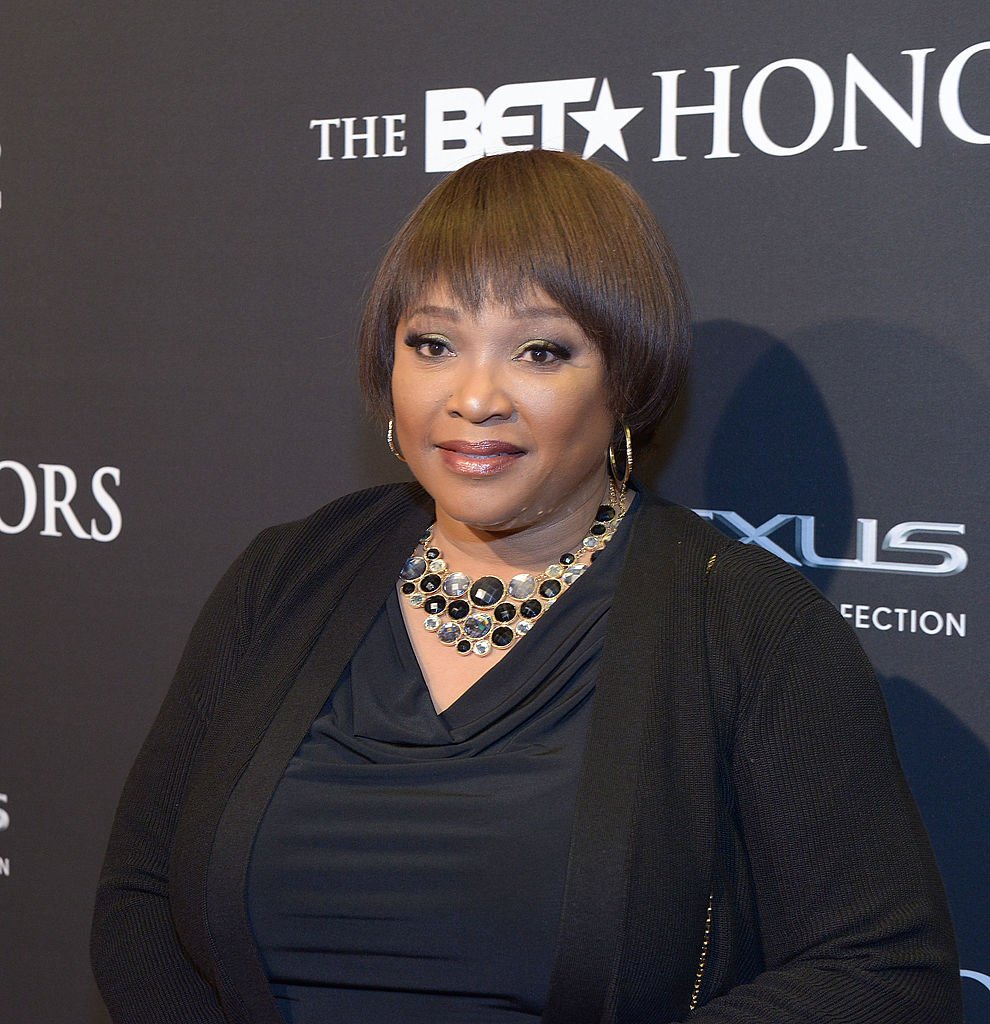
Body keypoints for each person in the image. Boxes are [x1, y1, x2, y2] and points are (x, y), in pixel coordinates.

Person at [91, 149, 962, 1023]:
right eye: (433, 344)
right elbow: (141, 898)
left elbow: (880, 972)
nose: (474, 397)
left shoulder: (747, 621)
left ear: (626, 378)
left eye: (540, 352)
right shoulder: (284, 577)